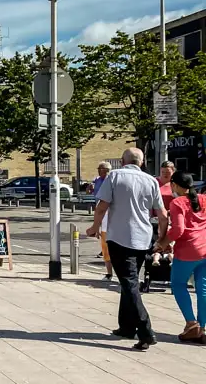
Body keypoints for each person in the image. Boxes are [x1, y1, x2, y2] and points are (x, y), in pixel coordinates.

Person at [87, 148, 168, 351]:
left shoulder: (114, 176)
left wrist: (95, 227)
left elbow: (102, 206)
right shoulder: (150, 180)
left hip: (120, 237)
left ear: (122, 161)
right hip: (143, 238)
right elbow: (162, 213)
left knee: (129, 283)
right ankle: (126, 327)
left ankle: (145, 331)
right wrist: (162, 239)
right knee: (128, 280)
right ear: (140, 163)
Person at [155, 172, 206, 343]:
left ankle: (191, 324)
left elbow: (178, 230)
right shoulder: (204, 199)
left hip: (187, 251)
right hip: (205, 249)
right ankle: (203, 327)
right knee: (203, 288)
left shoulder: (177, 202)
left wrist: (162, 243)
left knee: (178, 284)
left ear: (175, 185)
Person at [92, 163, 113, 278]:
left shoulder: (113, 183)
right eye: (99, 169)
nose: (99, 171)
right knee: (105, 249)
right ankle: (109, 274)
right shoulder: (98, 181)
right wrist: (96, 226)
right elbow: (99, 207)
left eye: (101, 169)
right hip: (104, 220)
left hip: (115, 221)